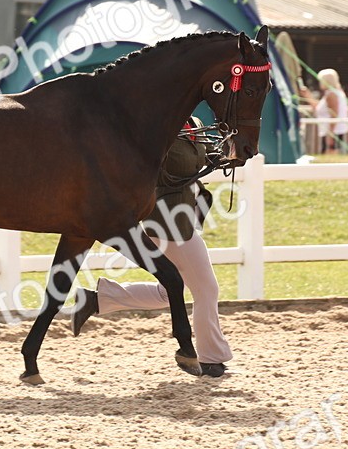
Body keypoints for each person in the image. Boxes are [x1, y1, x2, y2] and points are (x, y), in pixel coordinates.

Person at [71, 121, 232, 378]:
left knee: (169, 292)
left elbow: (195, 157)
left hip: (182, 217)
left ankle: (97, 299)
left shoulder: (193, 123)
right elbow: (172, 167)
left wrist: (221, 156)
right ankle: (211, 358)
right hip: (168, 222)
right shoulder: (158, 127)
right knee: (206, 289)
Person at [314, 68, 348, 154]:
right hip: (334, 130)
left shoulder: (332, 94)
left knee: (329, 154)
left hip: (332, 131)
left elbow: (334, 115)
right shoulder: (337, 92)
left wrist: (330, 135)